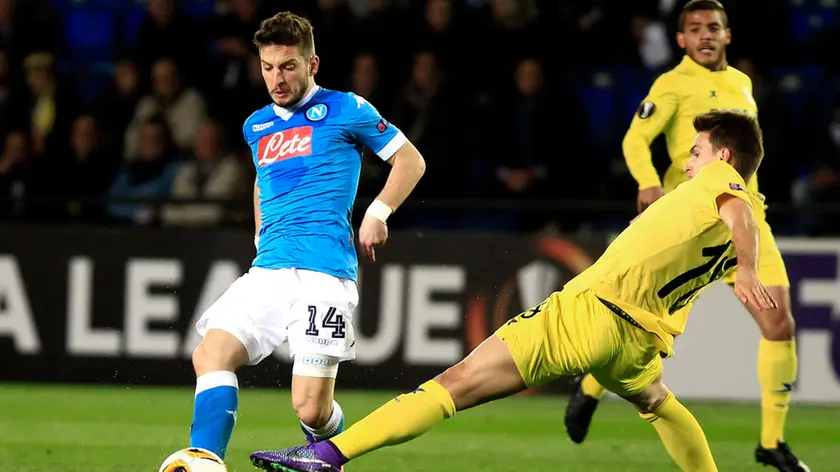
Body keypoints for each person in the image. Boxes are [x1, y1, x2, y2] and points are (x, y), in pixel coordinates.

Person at [251, 111, 772, 472]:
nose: (688, 163)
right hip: (639, 342)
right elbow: (735, 220)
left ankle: (329, 456)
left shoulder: (723, 185)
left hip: (590, 314)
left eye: (696, 152)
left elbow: (735, 207)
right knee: (658, 402)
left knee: (454, 385)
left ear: (724, 156)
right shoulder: (742, 212)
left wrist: (747, 269)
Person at [564, 3, 809, 471]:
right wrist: (647, 182)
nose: (705, 35)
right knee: (646, 329)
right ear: (680, 40)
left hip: (747, 224)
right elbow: (635, 140)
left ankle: (772, 442)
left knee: (780, 326)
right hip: (690, 229)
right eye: (694, 29)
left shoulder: (742, 83)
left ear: (727, 35)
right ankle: (592, 386)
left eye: (713, 27)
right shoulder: (671, 84)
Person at [184, 11, 426, 463]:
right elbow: (263, 180)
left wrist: (378, 212)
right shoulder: (256, 125)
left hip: (324, 274)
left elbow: (410, 160)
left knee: (311, 409)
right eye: (268, 67)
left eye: (288, 66)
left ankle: (329, 455)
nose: (277, 78)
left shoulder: (347, 109)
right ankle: (206, 462)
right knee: (210, 353)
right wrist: (261, 235)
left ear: (312, 64)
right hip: (268, 271)